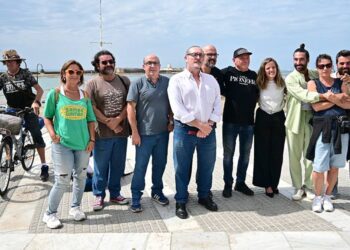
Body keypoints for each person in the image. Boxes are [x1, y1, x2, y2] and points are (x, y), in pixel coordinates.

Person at [168, 46, 222, 219]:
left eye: (201, 55)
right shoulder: (176, 80)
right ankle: (181, 201)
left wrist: (209, 125)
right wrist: (199, 125)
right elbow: (178, 109)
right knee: (182, 168)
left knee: (207, 166)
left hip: (208, 131)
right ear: (186, 57)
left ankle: (204, 196)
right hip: (184, 131)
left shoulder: (211, 80)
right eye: (194, 55)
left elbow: (217, 105)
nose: (198, 57)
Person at [42, 60, 96, 229]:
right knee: (62, 179)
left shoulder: (84, 95)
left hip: (83, 144)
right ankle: (49, 213)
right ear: (63, 73)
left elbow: (91, 120)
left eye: (78, 72)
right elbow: (47, 117)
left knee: (80, 177)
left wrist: (92, 139)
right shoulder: (55, 93)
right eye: (70, 71)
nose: (74, 75)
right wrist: (52, 133)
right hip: (62, 144)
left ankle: (75, 208)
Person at [127, 54, 173, 213]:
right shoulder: (137, 84)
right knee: (140, 167)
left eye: (155, 63)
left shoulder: (167, 82)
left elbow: (173, 104)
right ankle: (135, 197)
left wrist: (171, 120)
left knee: (160, 165)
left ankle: (157, 191)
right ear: (143, 66)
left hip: (162, 134)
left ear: (159, 66)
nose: (152, 66)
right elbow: (130, 109)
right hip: (144, 135)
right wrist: (134, 132)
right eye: (149, 63)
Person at [85, 50, 130, 211]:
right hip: (102, 134)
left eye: (111, 61)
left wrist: (118, 120)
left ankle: (115, 194)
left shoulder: (124, 81)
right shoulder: (92, 84)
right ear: (98, 65)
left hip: (121, 133)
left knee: (118, 166)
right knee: (100, 167)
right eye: (104, 62)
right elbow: (91, 106)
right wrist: (108, 122)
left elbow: (130, 104)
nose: (108, 64)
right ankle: (98, 195)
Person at [306, 54, 350, 212]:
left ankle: (327, 196)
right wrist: (337, 98)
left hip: (341, 127)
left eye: (328, 65)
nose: (325, 68)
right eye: (321, 66)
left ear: (332, 66)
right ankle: (317, 197)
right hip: (322, 127)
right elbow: (316, 107)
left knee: (335, 166)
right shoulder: (313, 83)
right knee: (319, 166)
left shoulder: (341, 82)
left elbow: (348, 104)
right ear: (317, 68)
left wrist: (330, 98)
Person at [285, 44, 328, 201]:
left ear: (308, 60)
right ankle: (297, 187)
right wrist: (325, 97)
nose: (298, 62)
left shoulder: (313, 74)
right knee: (294, 156)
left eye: (301, 59)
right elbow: (303, 95)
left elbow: (328, 76)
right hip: (294, 121)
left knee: (309, 156)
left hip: (311, 120)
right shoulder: (290, 78)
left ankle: (308, 187)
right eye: (296, 59)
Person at [0, 49, 49, 181]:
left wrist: (36, 102)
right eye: (6, 62)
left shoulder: (25, 74)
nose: (8, 63)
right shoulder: (3, 77)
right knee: (6, 135)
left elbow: (39, 90)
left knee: (36, 135)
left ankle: (44, 165)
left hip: (27, 109)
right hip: (11, 110)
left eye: (11, 61)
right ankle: (8, 161)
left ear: (17, 62)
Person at [221, 48, 258, 197]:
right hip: (230, 122)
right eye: (241, 57)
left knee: (245, 155)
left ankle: (240, 183)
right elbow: (211, 76)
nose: (245, 60)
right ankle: (228, 184)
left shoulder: (254, 75)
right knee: (228, 155)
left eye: (247, 57)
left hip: (248, 123)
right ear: (234, 60)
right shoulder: (227, 73)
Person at [253, 58, 286, 198]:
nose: (271, 70)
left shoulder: (283, 83)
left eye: (273, 67)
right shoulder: (259, 83)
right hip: (263, 117)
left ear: (277, 69)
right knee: (263, 152)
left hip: (278, 118)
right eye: (268, 68)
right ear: (264, 70)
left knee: (277, 153)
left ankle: (274, 183)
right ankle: (267, 185)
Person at [331, 50, 350, 198]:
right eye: (342, 63)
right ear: (336, 64)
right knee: (334, 157)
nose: (345, 66)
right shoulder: (331, 79)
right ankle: (332, 189)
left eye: (348, 63)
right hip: (337, 124)